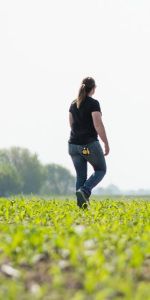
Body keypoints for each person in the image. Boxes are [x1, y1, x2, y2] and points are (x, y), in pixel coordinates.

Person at [68, 77, 110, 209]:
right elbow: (98, 124)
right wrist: (106, 143)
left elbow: (71, 124)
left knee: (81, 175)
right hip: (88, 144)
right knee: (101, 169)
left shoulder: (73, 104)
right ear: (93, 88)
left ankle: (81, 208)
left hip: (73, 145)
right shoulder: (93, 103)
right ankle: (85, 191)